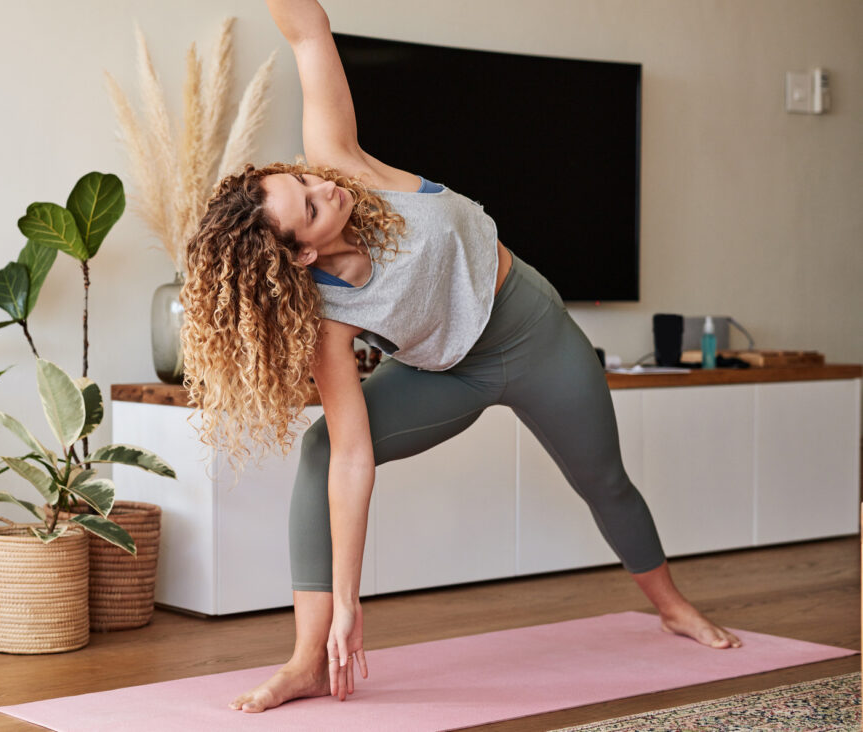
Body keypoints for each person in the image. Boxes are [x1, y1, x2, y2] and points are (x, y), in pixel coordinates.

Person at [178, 0, 744, 715]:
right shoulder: (324, 318)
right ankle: (308, 660)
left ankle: (670, 605)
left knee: (603, 480)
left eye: (304, 180)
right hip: (445, 373)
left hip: (532, 332)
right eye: (312, 206)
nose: (324, 187)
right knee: (323, 448)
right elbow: (355, 458)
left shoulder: (342, 164)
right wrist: (349, 603)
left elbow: (307, 30)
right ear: (301, 253)